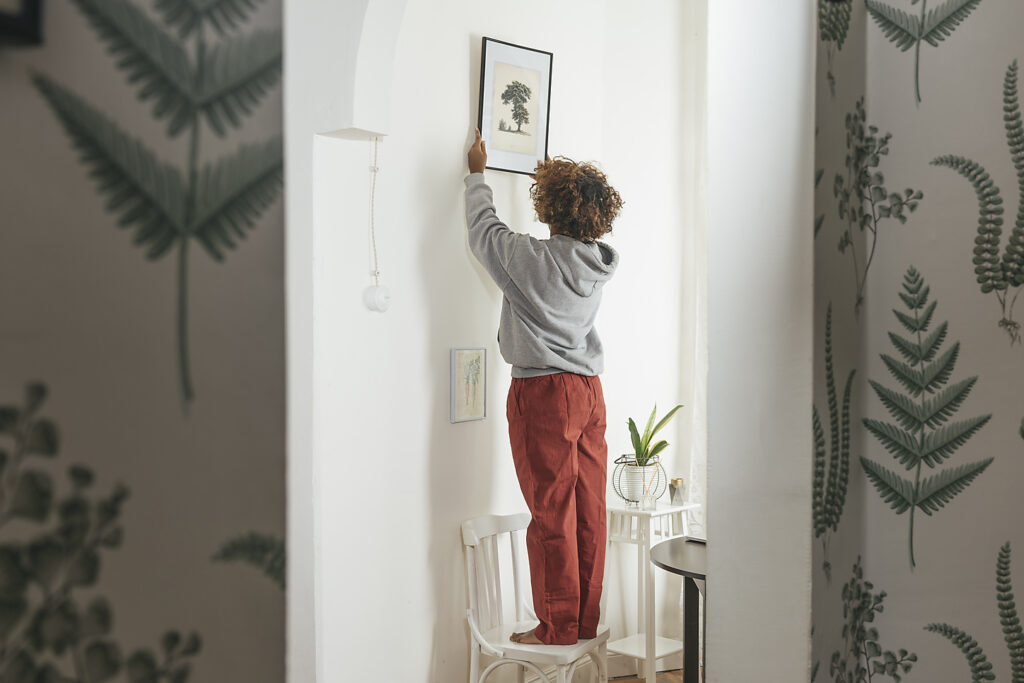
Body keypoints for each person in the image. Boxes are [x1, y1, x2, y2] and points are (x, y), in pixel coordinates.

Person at [464, 129, 622, 646]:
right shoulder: (595, 263)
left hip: (543, 394)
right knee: (589, 510)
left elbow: (484, 233)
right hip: (589, 390)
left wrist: (477, 175)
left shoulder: (531, 261)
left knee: (551, 509)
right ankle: (582, 622)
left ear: (550, 205)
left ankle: (555, 627)